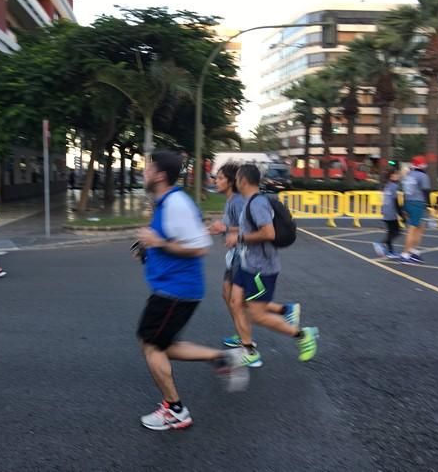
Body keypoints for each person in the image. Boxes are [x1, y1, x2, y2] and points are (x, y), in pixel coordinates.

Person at [135, 150, 248, 431]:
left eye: (148, 168)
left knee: (151, 344)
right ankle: (222, 358)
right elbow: (173, 238)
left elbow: (199, 246)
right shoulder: (164, 202)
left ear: (160, 175)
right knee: (162, 345)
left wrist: (159, 243)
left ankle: (175, 410)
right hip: (170, 287)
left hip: (176, 290)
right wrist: (149, 249)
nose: (144, 172)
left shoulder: (176, 203)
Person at [209, 163, 300, 365]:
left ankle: (296, 330)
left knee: (254, 311)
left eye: (221, 177)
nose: (216, 180)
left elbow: (266, 233)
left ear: (239, 181)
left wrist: (232, 234)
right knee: (233, 300)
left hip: (257, 264)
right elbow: (242, 228)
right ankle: (247, 345)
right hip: (245, 260)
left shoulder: (253, 202)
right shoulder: (243, 201)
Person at [227, 164, 318, 366]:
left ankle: (303, 335)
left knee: (258, 315)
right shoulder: (250, 202)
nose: (235, 182)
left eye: (237, 179)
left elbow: (269, 233)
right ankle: (249, 350)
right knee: (236, 303)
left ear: (242, 180)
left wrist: (239, 238)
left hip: (261, 268)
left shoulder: (258, 203)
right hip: (246, 264)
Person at [400, 156, 431, 264]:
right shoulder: (423, 176)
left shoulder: (408, 176)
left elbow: (404, 192)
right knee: (413, 229)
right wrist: (429, 205)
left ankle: (413, 251)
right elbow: (426, 191)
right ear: (422, 165)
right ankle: (405, 254)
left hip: (408, 202)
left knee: (419, 227)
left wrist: (404, 206)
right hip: (418, 203)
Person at [373, 168, 403, 259]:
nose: (398, 176)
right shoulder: (394, 186)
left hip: (386, 210)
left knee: (391, 232)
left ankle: (390, 252)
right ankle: (380, 243)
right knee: (397, 232)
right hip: (391, 212)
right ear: (392, 176)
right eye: (396, 174)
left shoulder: (387, 185)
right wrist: (401, 214)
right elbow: (395, 201)